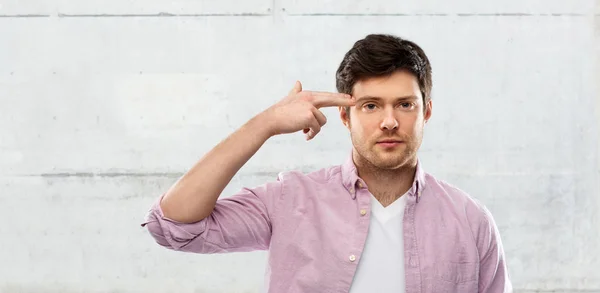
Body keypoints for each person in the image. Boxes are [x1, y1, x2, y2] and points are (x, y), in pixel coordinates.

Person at [141, 34, 512, 293]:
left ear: (426, 111)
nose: (389, 121)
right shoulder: (291, 200)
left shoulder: (471, 221)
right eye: (370, 105)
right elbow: (174, 225)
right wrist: (265, 123)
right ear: (345, 117)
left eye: (405, 104)